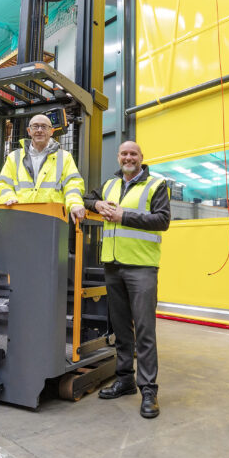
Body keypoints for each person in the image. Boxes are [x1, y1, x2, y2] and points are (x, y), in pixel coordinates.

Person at [84, 140, 170, 419]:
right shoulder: (109, 185)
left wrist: (124, 215)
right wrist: (96, 203)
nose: (128, 157)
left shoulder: (156, 185)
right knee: (121, 329)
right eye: (124, 153)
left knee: (144, 330)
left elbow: (162, 220)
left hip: (142, 266)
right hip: (113, 265)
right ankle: (125, 379)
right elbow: (86, 199)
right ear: (118, 157)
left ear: (141, 158)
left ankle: (149, 390)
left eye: (133, 153)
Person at [0, 113, 86, 223]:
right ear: (29, 131)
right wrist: (8, 197)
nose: (39, 130)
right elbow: (3, 183)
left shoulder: (64, 157)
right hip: (19, 217)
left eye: (44, 126)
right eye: (35, 126)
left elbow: (73, 184)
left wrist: (75, 203)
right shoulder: (14, 157)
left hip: (52, 220)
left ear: (51, 131)